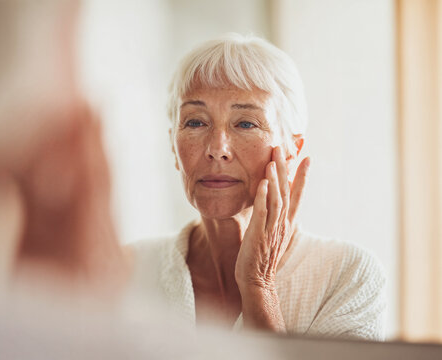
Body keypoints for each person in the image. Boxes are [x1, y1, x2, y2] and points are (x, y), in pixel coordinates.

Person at [129, 33, 387, 340]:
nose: (217, 148)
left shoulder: (349, 276)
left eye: (246, 123)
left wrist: (258, 284)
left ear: (290, 151)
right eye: (196, 122)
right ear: (174, 148)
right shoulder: (126, 270)